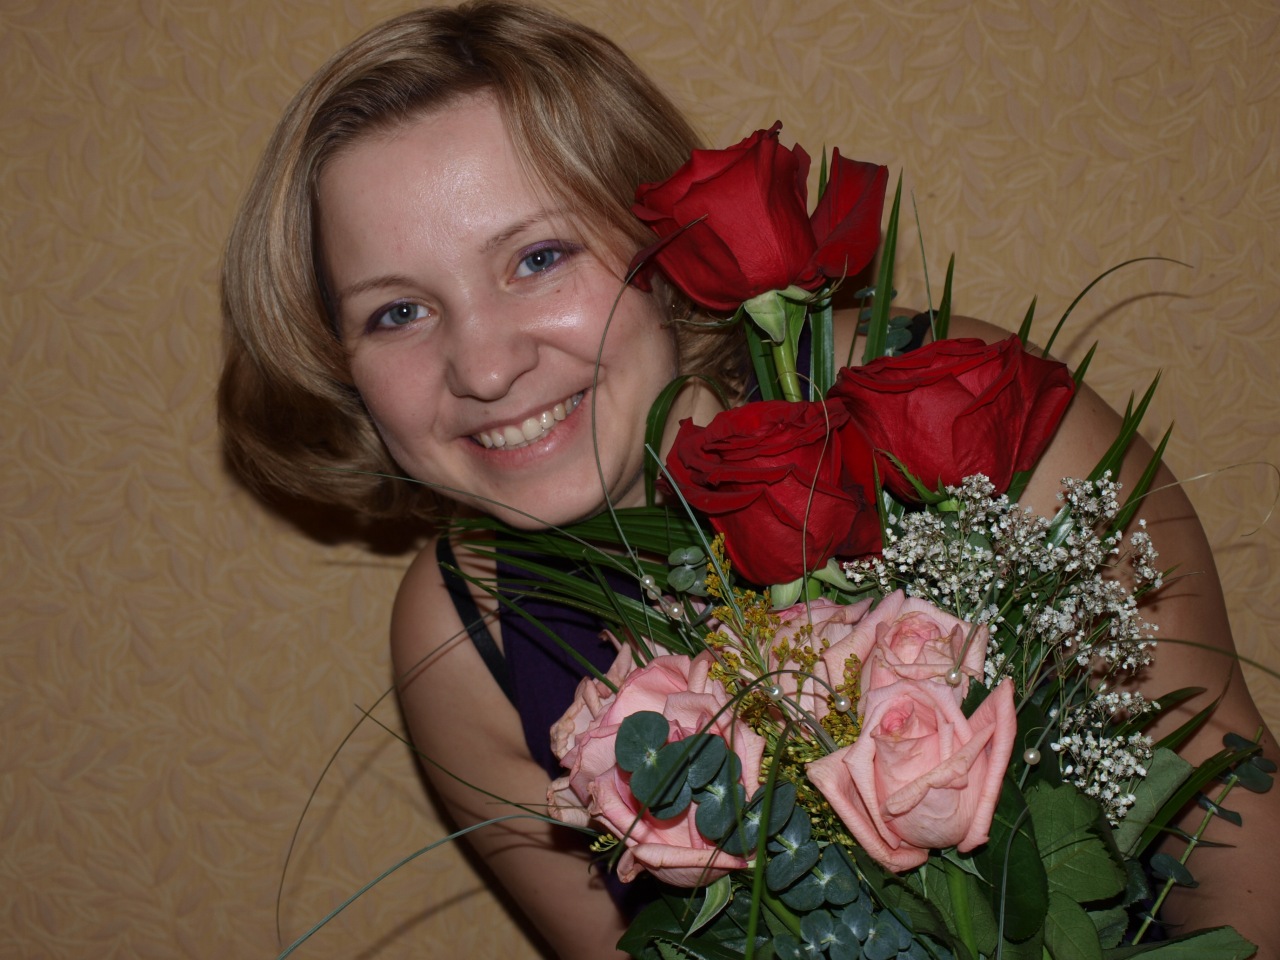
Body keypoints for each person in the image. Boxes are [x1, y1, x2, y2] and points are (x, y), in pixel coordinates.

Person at [218, 3, 1280, 957]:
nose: (485, 367)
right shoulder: (465, 639)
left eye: (537, 258)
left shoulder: (962, 413)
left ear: (658, 240)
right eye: (397, 312)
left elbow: (1233, 832)